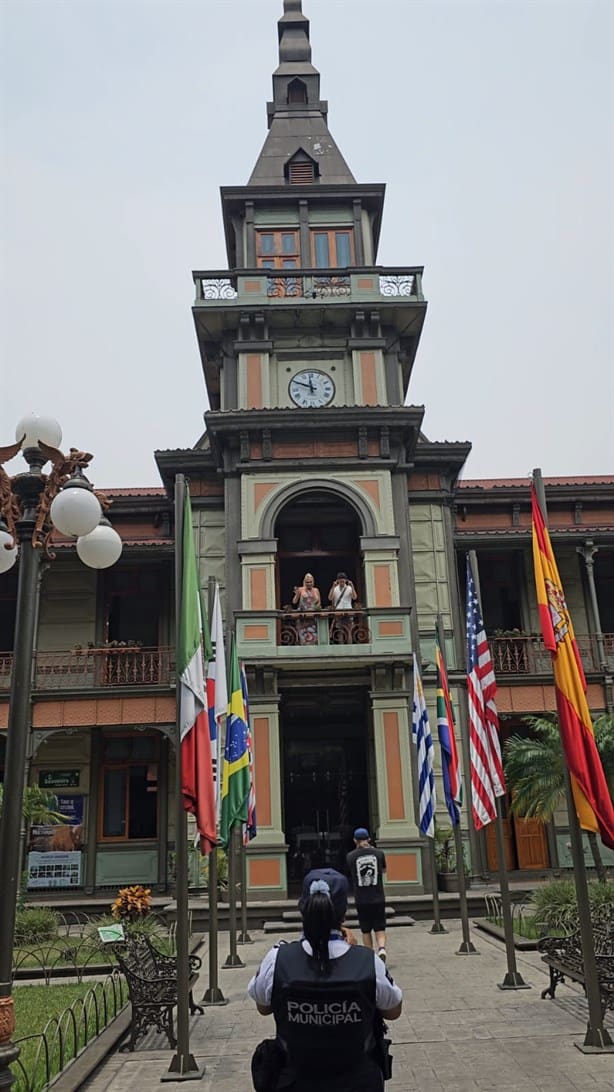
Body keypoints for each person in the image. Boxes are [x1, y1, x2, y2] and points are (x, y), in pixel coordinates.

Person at [248, 867, 401, 1091]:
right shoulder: (368, 962)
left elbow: (263, 1007)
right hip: (356, 1081)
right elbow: (393, 1011)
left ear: (303, 909)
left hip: (296, 1081)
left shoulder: (277, 959)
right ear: (344, 914)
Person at [346, 828, 388, 963]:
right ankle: (382, 948)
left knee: (365, 929)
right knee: (380, 926)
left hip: (361, 899)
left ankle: (370, 955)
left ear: (354, 840)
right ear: (369, 839)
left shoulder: (351, 856)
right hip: (378, 897)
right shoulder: (379, 853)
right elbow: (384, 870)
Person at [328, 572, 357, 644]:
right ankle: (341, 646)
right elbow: (330, 598)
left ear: (346, 580)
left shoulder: (349, 588)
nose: (342, 582)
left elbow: (354, 597)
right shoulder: (335, 589)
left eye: (343, 581)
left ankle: (350, 646)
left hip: (348, 611)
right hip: (338, 612)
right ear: (337, 581)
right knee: (340, 631)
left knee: (349, 630)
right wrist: (332, 587)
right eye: (340, 581)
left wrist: (352, 586)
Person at [292, 573, 321, 645]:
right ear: (304, 582)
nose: (309, 584)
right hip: (303, 618)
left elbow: (319, 602)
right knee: (304, 638)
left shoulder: (316, 590)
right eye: (307, 582)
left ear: (313, 582)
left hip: (313, 617)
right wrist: (296, 594)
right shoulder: (301, 589)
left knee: (314, 638)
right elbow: (294, 602)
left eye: (310, 582)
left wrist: (316, 608)